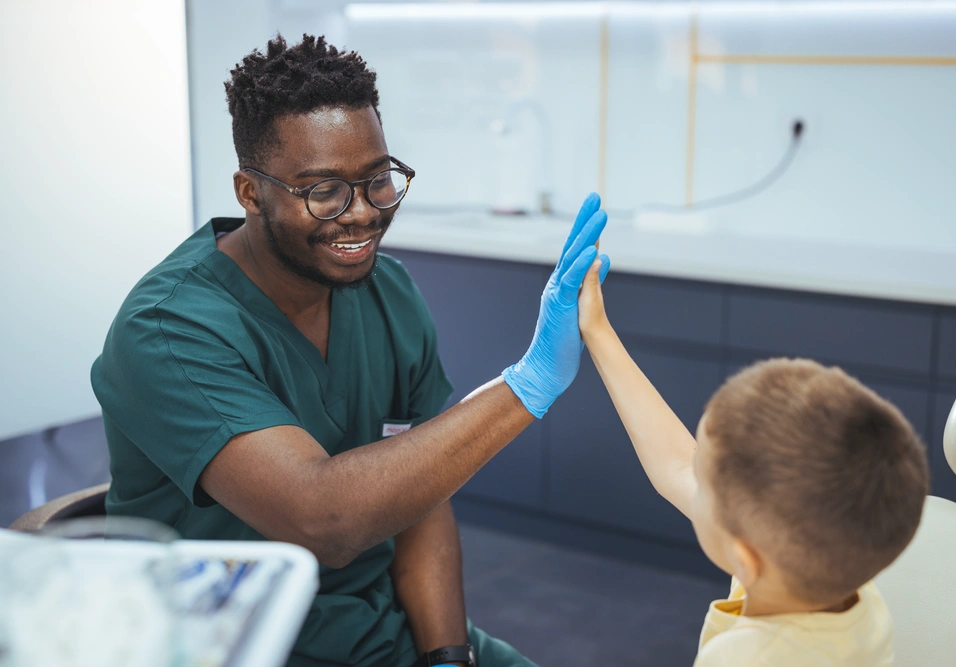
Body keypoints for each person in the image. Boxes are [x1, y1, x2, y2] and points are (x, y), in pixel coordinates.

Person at [90, 34, 609, 667]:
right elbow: (324, 519)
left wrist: (448, 657)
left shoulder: (387, 292)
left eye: (377, 180)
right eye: (323, 190)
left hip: (375, 629)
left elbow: (419, 492)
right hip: (225, 643)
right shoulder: (170, 328)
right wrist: (528, 385)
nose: (361, 213)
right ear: (250, 193)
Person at [576, 260, 929, 665]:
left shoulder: (744, 658)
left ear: (745, 558)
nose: (692, 476)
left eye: (703, 479)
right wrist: (598, 331)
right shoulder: (840, 580)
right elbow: (676, 465)